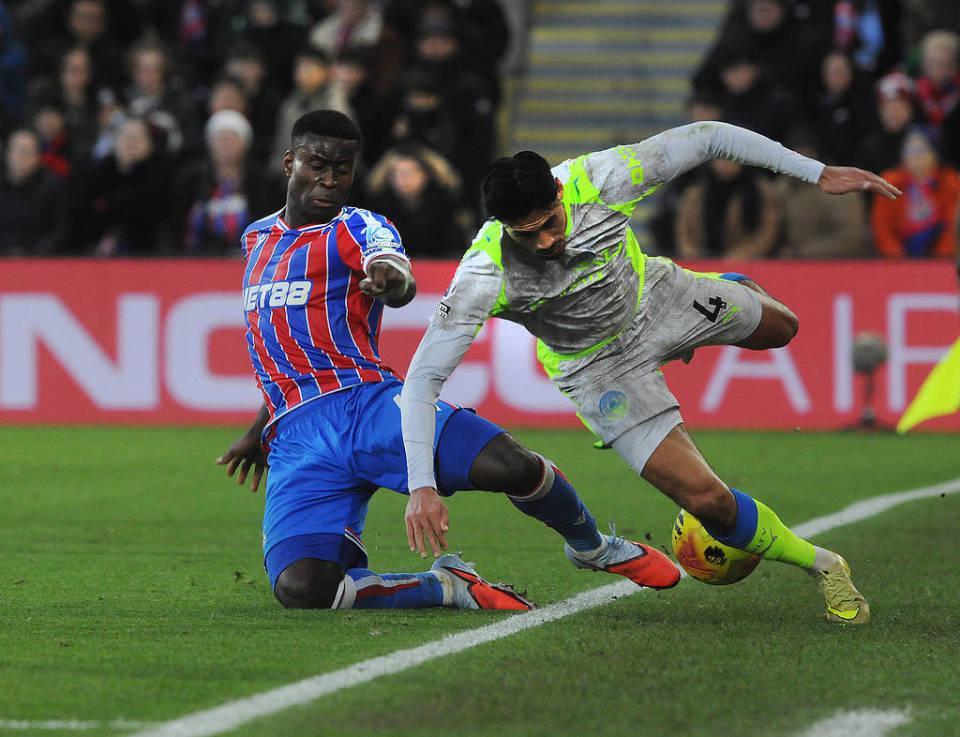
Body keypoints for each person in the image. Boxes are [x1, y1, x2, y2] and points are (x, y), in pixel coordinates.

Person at [399, 120, 903, 625]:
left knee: (783, 329)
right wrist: (422, 485)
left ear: (559, 191)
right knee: (708, 501)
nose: (547, 241)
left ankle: (724, 286)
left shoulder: (600, 178)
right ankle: (825, 565)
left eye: (550, 221)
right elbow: (422, 379)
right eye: (527, 234)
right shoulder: (485, 273)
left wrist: (815, 172)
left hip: (657, 298)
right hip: (598, 368)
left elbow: (707, 137)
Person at [216, 109, 680, 612]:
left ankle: (592, 546)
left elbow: (393, 268)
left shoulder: (357, 226)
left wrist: (392, 282)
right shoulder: (256, 239)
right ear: (290, 163)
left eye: (342, 168)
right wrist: (259, 428)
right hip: (296, 436)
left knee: (512, 466)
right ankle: (445, 585)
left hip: (364, 407)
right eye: (317, 165)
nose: (330, 179)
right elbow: (276, 344)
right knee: (303, 590)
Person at [871, 125, 959, 259]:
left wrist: (940, 259)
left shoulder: (950, 182)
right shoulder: (889, 182)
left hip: (940, 257)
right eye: (909, 151)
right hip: (898, 257)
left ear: (935, 154)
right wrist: (897, 259)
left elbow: (952, 228)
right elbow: (882, 228)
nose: (915, 157)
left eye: (921, 150)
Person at [674, 157, 781, 260]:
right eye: (719, 159)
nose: (724, 164)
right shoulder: (696, 193)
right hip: (702, 261)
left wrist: (743, 254)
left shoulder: (760, 191)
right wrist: (690, 252)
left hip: (746, 262)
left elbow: (768, 231)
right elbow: (683, 229)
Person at [0, 128, 67, 255]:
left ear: (38, 157)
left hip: (38, 259)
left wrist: (34, 252)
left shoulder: (52, 187)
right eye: (19, 151)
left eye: (28, 152)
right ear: (7, 154)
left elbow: (59, 230)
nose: (22, 157)